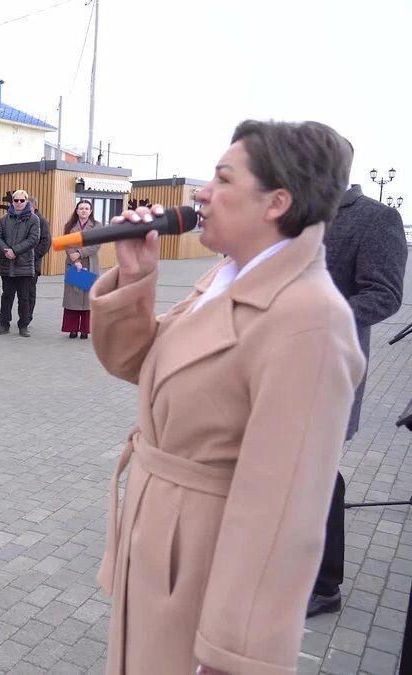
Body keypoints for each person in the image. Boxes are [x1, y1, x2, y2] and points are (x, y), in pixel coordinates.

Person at [90, 120, 365, 675]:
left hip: (205, 568)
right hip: (160, 546)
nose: (201, 194)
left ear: (276, 202)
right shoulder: (227, 276)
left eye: (221, 179)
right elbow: (142, 366)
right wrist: (136, 275)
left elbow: (283, 513)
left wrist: (233, 655)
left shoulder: (309, 318)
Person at [308, 178, 408, 617]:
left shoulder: (375, 218)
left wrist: (313, 320)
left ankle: (325, 585)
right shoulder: (297, 216)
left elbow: (384, 296)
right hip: (275, 370)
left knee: (318, 476)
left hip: (330, 370)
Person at [0, 189, 40, 337]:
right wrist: (6, 250)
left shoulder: (33, 219)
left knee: (24, 297)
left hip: (24, 265)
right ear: (12, 202)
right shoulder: (4, 219)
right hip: (7, 264)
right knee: (6, 296)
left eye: (22, 200)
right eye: (16, 200)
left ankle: (23, 325)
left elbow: (33, 239)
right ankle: (4, 324)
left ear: (26, 202)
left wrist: (15, 251)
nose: (19, 203)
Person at [62, 199, 101, 339]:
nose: (84, 210)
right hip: (73, 264)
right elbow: (68, 245)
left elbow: (95, 245)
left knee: (87, 298)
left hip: (90, 264)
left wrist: (80, 253)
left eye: (86, 208)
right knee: (73, 297)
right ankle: (72, 329)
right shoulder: (70, 226)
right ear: (77, 211)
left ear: (90, 211)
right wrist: (76, 260)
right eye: (81, 208)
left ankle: (85, 330)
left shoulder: (97, 226)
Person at [30, 196, 52, 320]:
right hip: (21, 264)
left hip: (33, 263)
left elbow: (46, 242)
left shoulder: (42, 221)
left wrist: (34, 256)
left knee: (30, 292)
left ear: (35, 207)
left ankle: (27, 317)